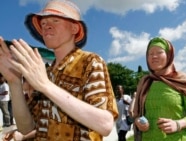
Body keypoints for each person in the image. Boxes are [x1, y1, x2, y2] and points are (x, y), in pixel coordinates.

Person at [0, 0, 118, 140]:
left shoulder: (90, 62)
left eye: (55, 20)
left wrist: (46, 86)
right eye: (43, 23)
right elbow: (26, 127)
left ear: (74, 28)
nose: (46, 26)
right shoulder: (46, 73)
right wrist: (14, 82)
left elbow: (105, 124)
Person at [131, 37, 186, 141]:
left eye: (159, 52)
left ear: (169, 55)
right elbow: (137, 114)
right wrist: (138, 121)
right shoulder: (144, 82)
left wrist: (178, 124)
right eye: (150, 54)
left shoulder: (182, 80)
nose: (154, 56)